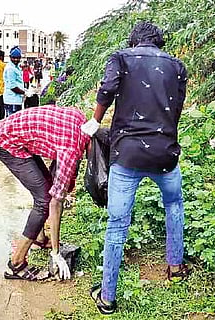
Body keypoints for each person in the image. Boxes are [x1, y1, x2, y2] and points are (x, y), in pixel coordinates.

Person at [81, 21, 189, 315]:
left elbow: (107, 89)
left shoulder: (121, 57)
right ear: (158, 41)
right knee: (174, 205)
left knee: (117, 224)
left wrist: (95, 119)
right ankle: (176, 266)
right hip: (165, 155)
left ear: (134, 41)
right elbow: (176, 107)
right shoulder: (177, 66)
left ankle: (107, 297)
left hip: (127, 155)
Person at [0, 105, 91, 281]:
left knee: (44, 192)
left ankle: (38, 239)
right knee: (44, 200)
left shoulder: (82, 121)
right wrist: (56, 252)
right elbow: (55, 201)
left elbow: (59, 174)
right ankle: (16, 264)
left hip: (16, 135)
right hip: (7, 142)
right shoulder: (72, 149)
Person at [3, 46, 25, 117]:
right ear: (10, 57)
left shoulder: (16, 67)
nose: (16, 60)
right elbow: (13, 87)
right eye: (14, 58)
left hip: (16, 100)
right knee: (12, 123)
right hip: (12, 100)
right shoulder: (10, 69)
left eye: (18, 58)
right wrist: (25, 93)